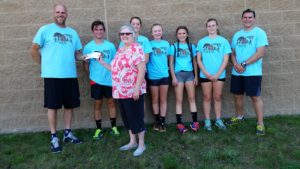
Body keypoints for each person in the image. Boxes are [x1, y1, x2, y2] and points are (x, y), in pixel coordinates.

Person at [30, 4, 82, 153]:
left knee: (69, 105)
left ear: (67, 14)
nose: (60, 14)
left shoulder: (73, 33)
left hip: (70, 75)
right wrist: (43, 65)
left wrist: (83, 57)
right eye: (58, 12)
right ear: (54, 13)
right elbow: (33, 50)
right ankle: (54, 137)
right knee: (52, 106)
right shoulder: (45, 30)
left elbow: (77, 53)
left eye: (63, 12)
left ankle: (67, 133)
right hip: (52, 76)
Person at [226, 9, 269, 135]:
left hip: (253, 72)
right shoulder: (237, 35)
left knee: (255, 97)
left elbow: (260, 53)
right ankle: (240, 117)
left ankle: (260, 124)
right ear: (242, 19)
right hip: (237, 72)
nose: (247, 19)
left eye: (250, 17)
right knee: (237, 95)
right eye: (245, 17)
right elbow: (232, 53)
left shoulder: (259, 33)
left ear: (254, 19)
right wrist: (235, 64)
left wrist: (244, 64)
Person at [110, 24, 146, 156]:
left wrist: (136, 89)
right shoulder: (120, 50)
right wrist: (102, 63)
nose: (124, 36)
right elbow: (116, 69)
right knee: (127, 118)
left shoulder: (137, 48)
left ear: (133, 35)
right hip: (120, 91)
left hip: (133, 91)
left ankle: (141, 144)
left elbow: (141, 69)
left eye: (127, 33)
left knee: (136, 117)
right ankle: (132, 142)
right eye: (122, 34)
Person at [82, 20, 120, 140]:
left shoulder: (110, 46)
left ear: (104, 31)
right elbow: (85, 63)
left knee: (111, 102)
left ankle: (113, 127)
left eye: (101, 29)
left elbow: (114, 63)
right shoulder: (88, 47)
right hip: (96, 80)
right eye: (96, 29)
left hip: (110, 79)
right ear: (93, 31)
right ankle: (98, 129)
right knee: (97, 103)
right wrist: (92, 75)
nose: (99, 31)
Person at [196, 18, 231, 131]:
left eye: (213, 25)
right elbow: (199, 60)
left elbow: (226, 59)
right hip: (205, 75)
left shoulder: (223, 41)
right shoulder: (202, 42)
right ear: (207, 28)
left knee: (217, 97)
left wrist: (217, 74)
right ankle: (207, 121)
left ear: (217, 26)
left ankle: (218, 120)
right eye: (209, 26)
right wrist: (206, 73)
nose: (211, 27)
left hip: (219, 75)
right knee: (206, 97)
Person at [168, 26, 199, 134]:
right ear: (177, 35)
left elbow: (195, 63)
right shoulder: (173, 47)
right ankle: (179, 124)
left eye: (183, 33)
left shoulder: (191, 47)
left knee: (191, 98)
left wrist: (196, 76)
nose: (182, 35)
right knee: (179, 100)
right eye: (179, 33)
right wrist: (173, 77)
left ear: (187, 34)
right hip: (178, 75)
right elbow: (171, 64)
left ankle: (195, 123)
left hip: (189, 75)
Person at [148, 24, 170, 132]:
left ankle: (162, 122)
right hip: (153, 76)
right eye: (155, 31)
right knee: (155, 99)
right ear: (152, 33)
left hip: (164, 75)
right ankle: (156, 121)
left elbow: (169, 59)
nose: (157, 32)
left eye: (159, 30)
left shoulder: (166, 44)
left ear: (162, 32)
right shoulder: (149, 44)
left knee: (163, 99)